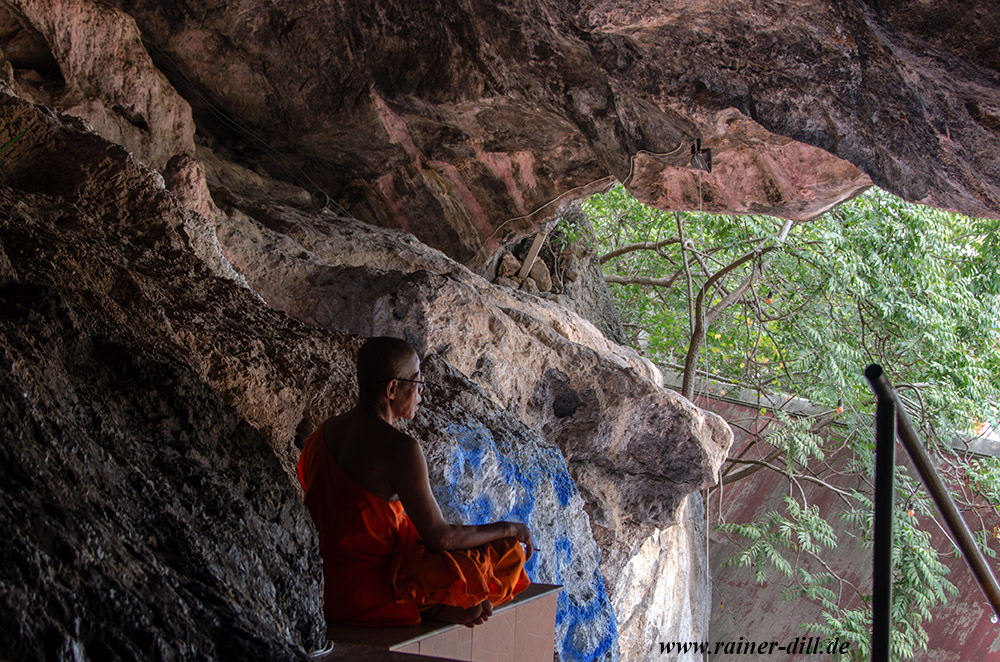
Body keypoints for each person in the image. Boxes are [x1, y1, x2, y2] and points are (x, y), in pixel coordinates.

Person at [297, 336, 533, 630]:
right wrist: (509, 528)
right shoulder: (400, 449)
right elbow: (441, 538)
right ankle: (429, 604)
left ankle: (434, 605)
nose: (421, 395)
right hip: (373, 594)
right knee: (507, 551)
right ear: (393, 389)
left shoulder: (322, 433)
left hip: (320, 586)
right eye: (418, 384)